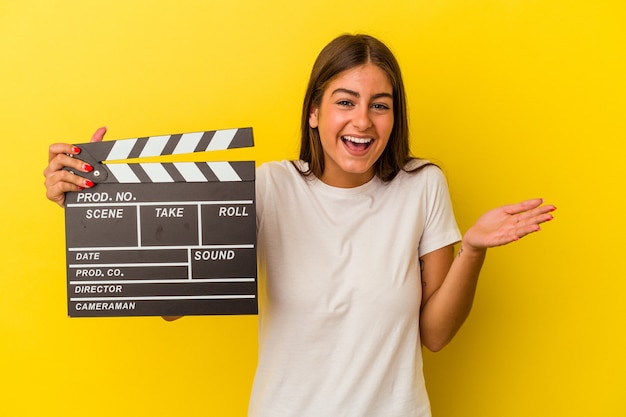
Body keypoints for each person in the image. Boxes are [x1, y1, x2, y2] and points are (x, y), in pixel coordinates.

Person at [44, 34, 555, 417]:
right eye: (345, 101)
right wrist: (100, 209)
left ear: (395, 118)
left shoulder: (422, 187)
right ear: (314, 112)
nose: (363, 121)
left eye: (380, 106)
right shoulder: (270, 188)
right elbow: (178, 304)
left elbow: (436, 335)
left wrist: (474, 248)